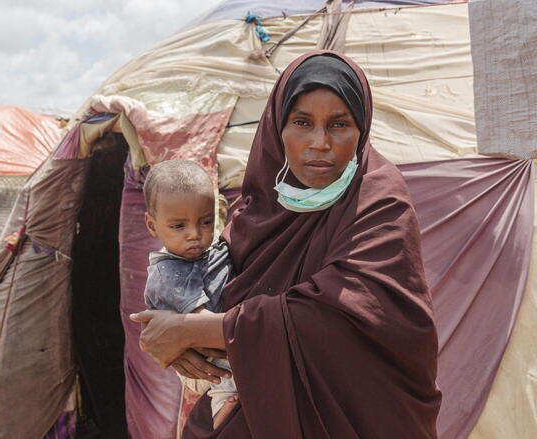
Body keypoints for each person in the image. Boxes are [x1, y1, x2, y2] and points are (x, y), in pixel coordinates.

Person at [130, 50, 442, 438]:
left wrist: (197, 330)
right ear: (277, 128)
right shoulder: (258, 210)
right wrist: (179, 341)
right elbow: (204, 297)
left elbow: (354, 318)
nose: (319, 143)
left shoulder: (377, 201)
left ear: (362, 129)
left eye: (339, 124)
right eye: (301, 122)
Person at [142, 159, 238, 429]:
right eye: (178, 227)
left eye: (205, 222)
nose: (194, 235)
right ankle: (221, 414)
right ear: (152, 226)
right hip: (204, 356)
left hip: (213, 338)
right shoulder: (170, 272)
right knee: (229, 381)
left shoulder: (208, 253)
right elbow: (200, 320)